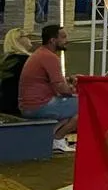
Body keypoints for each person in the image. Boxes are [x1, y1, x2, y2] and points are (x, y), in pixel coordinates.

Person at [17, 24, 78, 152]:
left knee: (72, 106)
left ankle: (52, 138)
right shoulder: (50, 57)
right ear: (53, 40)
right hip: (39, 106)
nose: (67, 40)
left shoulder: (40, 54)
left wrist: (68, 82)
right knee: (86, 105)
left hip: (29, 106)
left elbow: (54, 83)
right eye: (63, 37)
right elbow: (61, 88)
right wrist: (74, 90)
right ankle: (58, 139)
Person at [0, 27, 34, 117]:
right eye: (26, 36)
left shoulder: (5, 60)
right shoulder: (25, 60)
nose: (29, 39)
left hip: (5, 104)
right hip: (19, 105)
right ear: (18, 40)